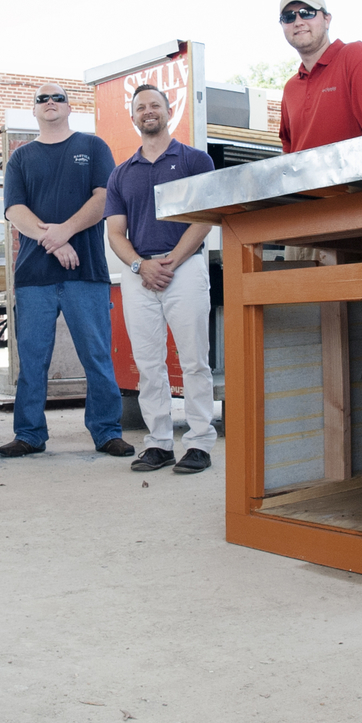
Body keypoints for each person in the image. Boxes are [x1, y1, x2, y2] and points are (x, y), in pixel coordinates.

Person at [0, 84, 131, 460]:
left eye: (57, 98)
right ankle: (29, 434)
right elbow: (14, 211)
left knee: (97, 356)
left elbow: (103, 198)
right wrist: (54, 241)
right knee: (33, 360)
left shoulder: (92, 147)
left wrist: (64, 231)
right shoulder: (20, 158)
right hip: (33, 278)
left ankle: (107, 432)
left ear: (70, 107)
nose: (50, 103)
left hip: (85, 272)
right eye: (42, 99)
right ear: (34, 110)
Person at [103, 84, 218, 474]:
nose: (148, 111)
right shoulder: (121, 174)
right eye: (141, 107)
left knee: (193, 360)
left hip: (183, 269)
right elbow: (115, 232)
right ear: (133, 117)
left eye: (155, 105)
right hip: (139, 275)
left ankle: (200, 442)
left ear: (169, 112)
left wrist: (170, 261)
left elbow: (204, 217)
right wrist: (139, 265)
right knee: (148, 363)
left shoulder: (194, 161)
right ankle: (159, 443)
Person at [276, 0, 362, 153]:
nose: (298, 22)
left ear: (327, 20)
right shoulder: (290, 89)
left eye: (307, 12)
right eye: (288, 17)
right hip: (307, 180)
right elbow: (287, 158)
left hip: (355, 179)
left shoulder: (356, 57)